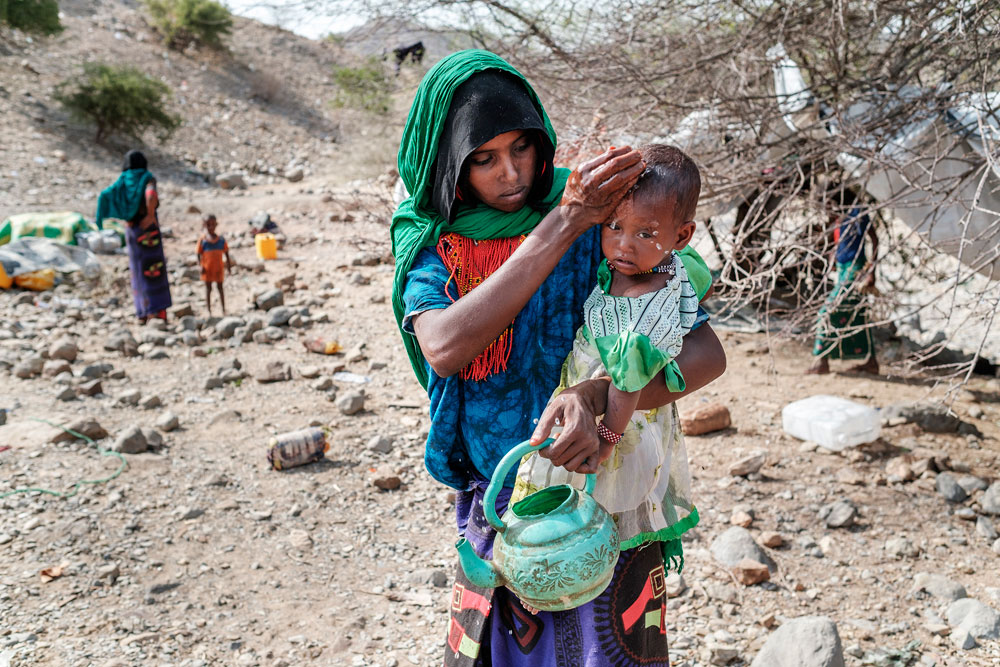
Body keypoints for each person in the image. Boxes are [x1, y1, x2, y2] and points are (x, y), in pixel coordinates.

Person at [392, 50, 726, 666]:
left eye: (522, 148)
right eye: (484, 159)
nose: (511, 173)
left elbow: (703, 351)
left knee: (606, 649)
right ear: (448, 164)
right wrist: (564, 222)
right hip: (502, 493)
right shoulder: (440, 243)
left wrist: (601, 397)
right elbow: (443, 347)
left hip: (603, 490)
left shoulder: (609, 221)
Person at [514, 144, 713, 575]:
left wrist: (605, 439)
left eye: (645, 233)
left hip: (623, 426)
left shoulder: (641, 311)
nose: (623, 245)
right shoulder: (672, 266)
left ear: (681, 236)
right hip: (629, 416)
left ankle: (572, 569)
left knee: (590, 505)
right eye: (615, 226)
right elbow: (700, 277)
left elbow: (626, 382)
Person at [807, 188, 879, 375]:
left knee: (827, 311)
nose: (827, 208)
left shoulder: (857, 213)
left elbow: (874, 239)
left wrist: (871, 271)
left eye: (828, 203)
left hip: (855, 269)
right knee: (858, 314)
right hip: (843, 269)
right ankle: (871, 362)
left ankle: (822, 361)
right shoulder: (840, 216)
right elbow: (841, 242)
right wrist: (833, 258)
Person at [95, 150, 172, 323]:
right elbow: (151, 194)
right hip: (148, 230)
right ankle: (157, 312)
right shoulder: (147, 178)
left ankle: (142, 311)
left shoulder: (123, 180)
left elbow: (105, 195)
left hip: (132, 230)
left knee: (137, 270)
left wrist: (121, 216)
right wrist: (150, 215)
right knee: (154, 268)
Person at [197, 214, 233, 316]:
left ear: (216, 224)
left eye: (213, 224)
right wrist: (200, 266)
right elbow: (198, 254)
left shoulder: (221, 240)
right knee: (208, 289)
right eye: (208, 224)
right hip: (207, 269)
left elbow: (227, 254)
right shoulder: (203, 240)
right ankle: (209, 311)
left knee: (220, 288)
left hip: (218, 269)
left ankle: (223, 309)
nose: (211, 227)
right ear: (204, 225)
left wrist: (229, 267)